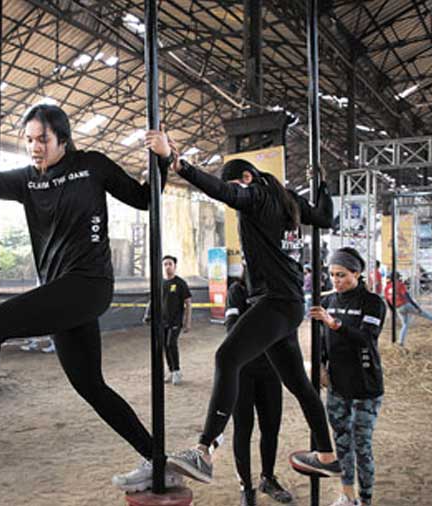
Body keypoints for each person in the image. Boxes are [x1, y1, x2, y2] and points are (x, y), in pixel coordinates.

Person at [0, 104, 179, 493]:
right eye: (29, 140)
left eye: (43, 139)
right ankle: (157, 460)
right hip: (62, 292)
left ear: (63, 139)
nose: (35, 147)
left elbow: (144, 199)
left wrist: (163, 159)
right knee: (91, 386)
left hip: (89, 284)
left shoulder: (92, 166)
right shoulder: (26, 181)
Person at [163, 151, 341, 483]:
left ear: (246, 178)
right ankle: (327, 456)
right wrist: (324, 189)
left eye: (237, 186)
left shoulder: (256, 194)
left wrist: (182, 166)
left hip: (274, 302)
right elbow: (324, 218)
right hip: (288, 305)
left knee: (226, 357)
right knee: (300, 385)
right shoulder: (287, 200)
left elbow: (224, 192)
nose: (237, 200)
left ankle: (204, 451)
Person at [308, 248, 386, 506]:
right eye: (332, 275)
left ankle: (366, 499)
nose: (336, 280)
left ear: (357, 273)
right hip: (338, 385)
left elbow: (367, 338)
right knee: (341, 442)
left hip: (365, 385)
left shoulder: (373, 302)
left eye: (341, 275)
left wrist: (335, 324)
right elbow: (321, 340)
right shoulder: (329, 302)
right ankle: (347, 495)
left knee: (362, 445)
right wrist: (319, 366)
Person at [226, 271, 293, 506]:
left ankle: (268, 478)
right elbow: (232, 328)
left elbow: (287, 331)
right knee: (243, 429)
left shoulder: (278, 293)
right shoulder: (238, 291)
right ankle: (246, 486)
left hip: (271, 371)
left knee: (271, 427)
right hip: (242, 371)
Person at [144, 255, 192, 385]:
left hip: (176, 321)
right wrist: (147, 315)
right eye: (165, 264)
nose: (167, 266)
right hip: (162, 321)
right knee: (165, 346)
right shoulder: (160, 283)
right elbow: (152, 300)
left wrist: (187, 322)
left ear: (175, 266)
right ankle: (171, 371)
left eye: (170, 264)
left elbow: (188, 303)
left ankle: (177, 371)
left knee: (171, 344)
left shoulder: (180, 283)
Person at [385, 272, 432, 347]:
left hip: (398, 308)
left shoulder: (387, 288)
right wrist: (416, 307)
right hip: (406, 305)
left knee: (405, 324)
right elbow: (406, 296)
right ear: (397, 277)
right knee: (427, 315)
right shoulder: (400, 284)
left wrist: (393, 311)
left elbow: (388, 301)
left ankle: (401, 341)